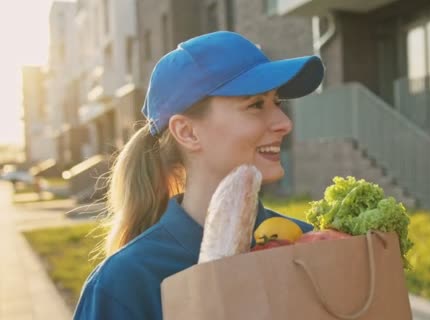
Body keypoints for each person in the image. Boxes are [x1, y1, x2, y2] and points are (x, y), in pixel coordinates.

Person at [73, 31, 325, 319]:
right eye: (256, 105)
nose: (284, 123)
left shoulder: (310, 246)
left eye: (277, 103)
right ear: (187, 132)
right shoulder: (126, 282)